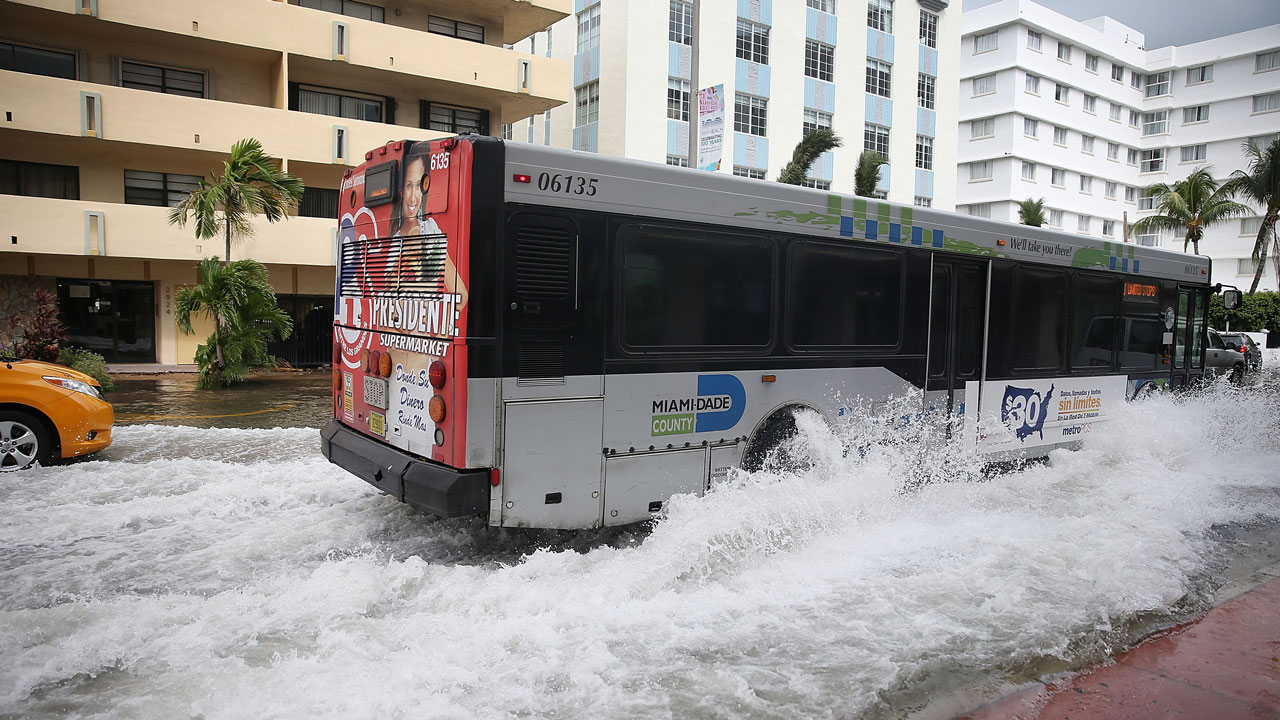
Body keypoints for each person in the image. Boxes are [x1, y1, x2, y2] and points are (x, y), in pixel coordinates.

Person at [391, 143, 468, 311]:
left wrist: (435, 323)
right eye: (408, 185)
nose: (413, 197)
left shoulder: (430, 230)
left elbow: (461, 295)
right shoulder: (393, 245)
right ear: (401, 191)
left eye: (419, 186)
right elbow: (390, 310)